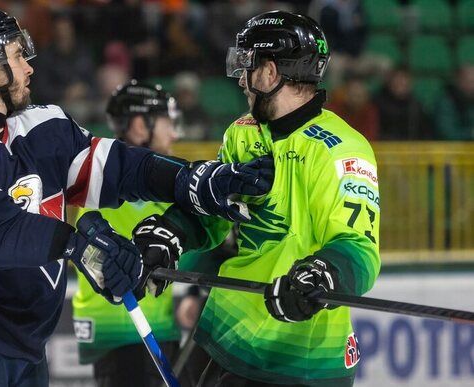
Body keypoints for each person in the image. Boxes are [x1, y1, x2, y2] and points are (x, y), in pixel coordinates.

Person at [0, 7, 274, 387]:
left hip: (24, 342)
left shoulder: (43, 127)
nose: (29, 67)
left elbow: (121, 168)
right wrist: (78, 245)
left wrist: (192, 179)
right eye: (16, 55)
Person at [132, 10, 381, 386]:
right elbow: (215, 212)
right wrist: (172, 233)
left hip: (301, 357)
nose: (241, 81)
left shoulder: (343, 149)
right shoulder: (241, 133)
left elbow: (360, 248)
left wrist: (322, 276)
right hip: (228, 336)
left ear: (270, 71)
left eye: (246, 65)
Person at [71, 80, 182, 387]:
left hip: (133, 332)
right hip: (130, 334)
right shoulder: (122, 186)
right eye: (167, 122)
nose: (173, 133)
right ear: (138, 124)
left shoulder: (110, 177)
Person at [373, 66, 432, 140]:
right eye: (397, 79)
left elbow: (425, 135)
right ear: (389, 81)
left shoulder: (416, 106)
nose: (401, 83)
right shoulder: (376, 104)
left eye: (404, 79)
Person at [434, 64, 474, 141]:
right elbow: (448, 134)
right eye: (470, 81)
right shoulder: (445, 102)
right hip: (450, 151)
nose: (473, 86)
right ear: (458, 81)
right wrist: (471, 133)